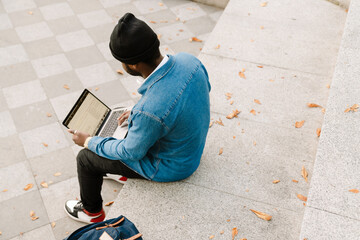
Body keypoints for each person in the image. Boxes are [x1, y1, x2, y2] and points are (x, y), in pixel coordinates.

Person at [64, 12, 211, 223]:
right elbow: (193, 94)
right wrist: (138, 113)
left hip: (174, 165)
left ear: (132, 65)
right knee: (120, 132)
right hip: (191, 147)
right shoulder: (190, 61)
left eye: (121, 62)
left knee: (86, 158)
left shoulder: (149, 111)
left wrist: (88, 141)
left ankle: (92, 212)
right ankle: (119, 171)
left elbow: (131, 151)